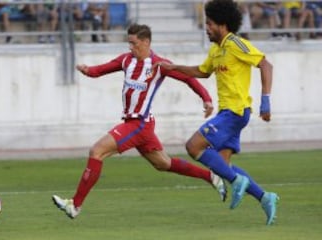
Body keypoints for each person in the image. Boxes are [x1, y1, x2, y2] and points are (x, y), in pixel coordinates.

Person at [52, 23, 227, 219]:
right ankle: (211, 177)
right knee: (163, 164)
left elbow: (189, 79)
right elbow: (100, 70)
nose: (130, 47)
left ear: (145, 42)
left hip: (139, 123)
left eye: (134, 43)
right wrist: (87, 70)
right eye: (128, 43)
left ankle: (74, 205)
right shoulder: (126, 60)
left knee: (97, 151)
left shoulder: (159, 65)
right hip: (139, 124)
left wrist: (207, 99)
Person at [155, 0, 279, 225]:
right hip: (228, 113)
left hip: (235, 112)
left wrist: (266, 101)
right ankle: (265, 197)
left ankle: (236, 181)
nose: (207, 28)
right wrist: (174, 68)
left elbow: (265, 65)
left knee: (193, 146)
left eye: (210, 24)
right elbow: (202, 72)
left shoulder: (236, 44)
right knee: (223, 165)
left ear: (223, 24)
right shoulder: (216, 49)